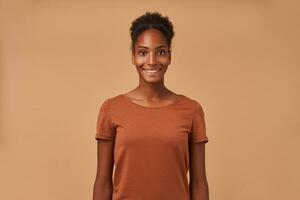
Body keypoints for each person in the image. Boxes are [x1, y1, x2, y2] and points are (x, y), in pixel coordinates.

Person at [93, 11, 209, 200]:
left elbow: (199, 183)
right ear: (133, 56)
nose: (152, 61)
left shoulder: (192, 110)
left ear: (170, 56)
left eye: (161, 52)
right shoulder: (111, 109)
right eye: (143, 52)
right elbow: (103, 183)